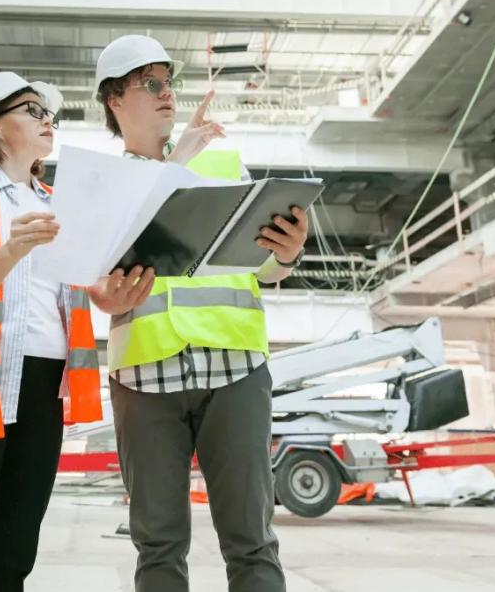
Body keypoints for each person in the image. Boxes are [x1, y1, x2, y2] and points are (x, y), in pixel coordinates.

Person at [89, 35, 309, 592]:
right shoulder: (102, 184)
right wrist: (102, 298)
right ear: (115, 98)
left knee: (252, 542)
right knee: (158, 546)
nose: (167, 95)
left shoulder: (223, 161)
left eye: (170, 83)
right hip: (144, 379)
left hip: (234, 371)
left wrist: (284, 256)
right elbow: (92, 276)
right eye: (151, 84)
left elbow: (260, 268)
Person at [0, 71, 152, 592]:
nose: (48, 121)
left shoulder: (59, 201)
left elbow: (81, 289)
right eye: (32, 110)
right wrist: (11, 250)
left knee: (15, 552)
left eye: (50, 114)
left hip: (45, 386)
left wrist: (109, 293)